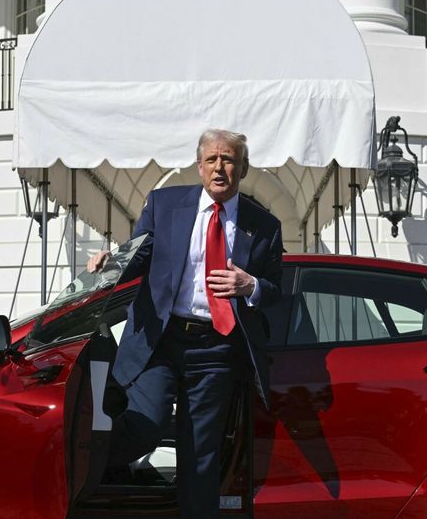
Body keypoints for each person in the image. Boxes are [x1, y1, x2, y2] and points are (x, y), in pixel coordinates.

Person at [86, 129, 283, 518]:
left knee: (200, 455)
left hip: (217, 347)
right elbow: (136, 258)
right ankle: (80, 470)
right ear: (199, 166)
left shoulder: (264, 225)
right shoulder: (165, 204)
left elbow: (277, 290)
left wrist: (251, 285)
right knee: (147, 424)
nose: (219, 168)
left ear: (243, 168)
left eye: (228, 160)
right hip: (162, 339)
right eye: (212, 160)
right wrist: (111, 262)